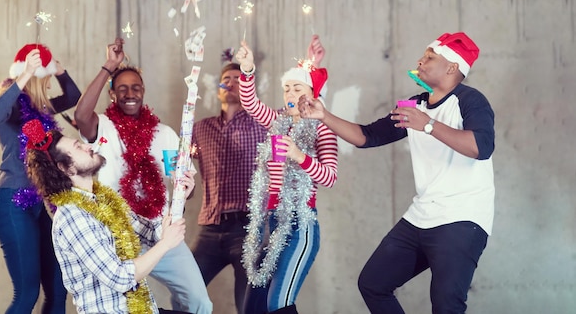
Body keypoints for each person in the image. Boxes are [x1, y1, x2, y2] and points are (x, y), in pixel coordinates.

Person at [298, 32, 495, 314]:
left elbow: (481, 147)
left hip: (462, 219)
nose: (420, 60)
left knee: (445, 305)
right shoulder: (414, 105)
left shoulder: (471, 100)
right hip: (422, 216)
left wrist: (428, 125)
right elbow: (366, 136)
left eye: (430, 56)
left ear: (452, 67)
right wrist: (324, 116)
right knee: (373, 283)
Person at [73, 38, 213, 314]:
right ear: (112, 94)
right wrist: (108, 67)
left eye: (135, 87)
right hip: (117, 235)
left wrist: (188, 185)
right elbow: (80, 114)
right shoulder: (102, 126)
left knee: (200, 303)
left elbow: (185, 185)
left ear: (144, 91)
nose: (129, 93)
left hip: (162, 232)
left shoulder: (166, 134)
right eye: (121, 88)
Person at [22, 119, 193, 314]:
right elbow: (119, 277)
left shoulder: (103, 200)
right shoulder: (72, 217)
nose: (87, 146)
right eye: (79, 147)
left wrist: (179, 196)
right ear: (65, 168)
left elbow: (152, 233)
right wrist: (166, 244)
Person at [234, 35, 339, 314]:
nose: (290, 95)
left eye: (297, 88)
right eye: (287, 89)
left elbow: (329, 177)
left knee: (277, 304)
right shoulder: (278, 121)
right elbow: (251, 104)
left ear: (313, 94)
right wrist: (247, 70)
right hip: (269, 223)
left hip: (300, 226)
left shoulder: (323, 128)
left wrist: (299, 156)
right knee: (252, 308)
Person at [0, 43, 80, 313]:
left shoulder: (42, 111)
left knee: (57, 289)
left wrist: (59, 70)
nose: (49, 85)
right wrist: (25, 74)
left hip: (37, 205)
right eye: (48, 79)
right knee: (26, 295)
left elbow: (72, 95)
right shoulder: (14, 106)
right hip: (10, 203)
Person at [190, 61, 268, 314]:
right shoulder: (200, 128)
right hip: (209, 229)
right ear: (218, 88)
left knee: (248, 306)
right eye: (227, 78)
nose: (233, 82)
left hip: (247, 228)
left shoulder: (263, 124)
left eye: (239, 78)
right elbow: (178, 160)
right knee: (186, 293)